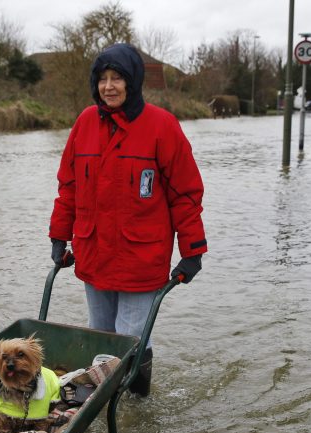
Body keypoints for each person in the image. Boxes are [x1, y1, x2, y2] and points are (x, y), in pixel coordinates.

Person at [48, 43, 208, 397]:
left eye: (117, 78)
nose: (109, 86)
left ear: (132, 81)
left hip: (141, 258)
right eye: (102, 79)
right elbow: (68, 186)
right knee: (100, 336)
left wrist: (192, 250)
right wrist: (60, 236)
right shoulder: (84, 123)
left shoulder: (162, 126)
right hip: (94, 253)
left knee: (126, 342)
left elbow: (185, 194)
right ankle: (109, 405)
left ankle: (134, 405)